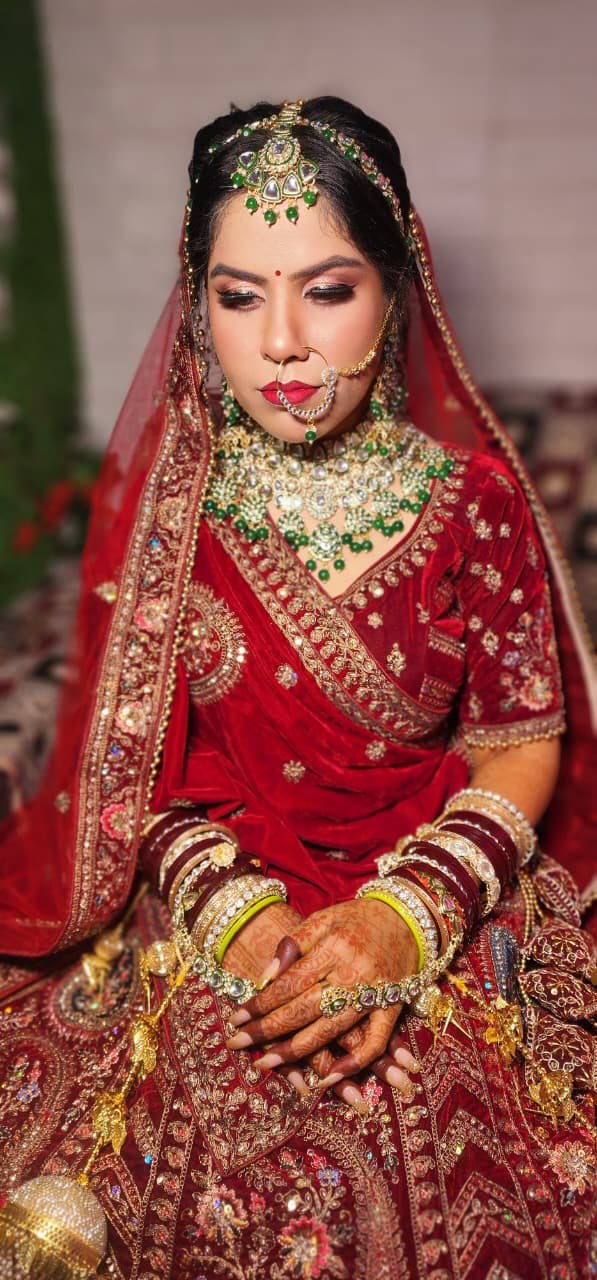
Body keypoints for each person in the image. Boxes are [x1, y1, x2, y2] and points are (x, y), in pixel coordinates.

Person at [0, 96, 595, 1280]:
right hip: (213, 893)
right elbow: (132, 762)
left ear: (396, 286)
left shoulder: (474, 503)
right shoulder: (169, 513)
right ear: (196, 303)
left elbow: (521, 738)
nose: (280, 342)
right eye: (238, 296)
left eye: (326, 290)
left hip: (432, 881)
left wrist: (407, 915)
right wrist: (240, 917)